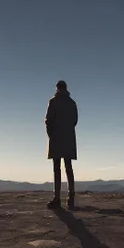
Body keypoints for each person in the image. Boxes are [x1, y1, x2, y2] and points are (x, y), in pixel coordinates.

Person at [45, 80, 78, 210]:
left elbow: (48, 120)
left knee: (57, 168)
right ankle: (71, 199)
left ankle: (57, 198)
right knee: (68, 168)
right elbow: (75, 120)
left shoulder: (53, 102)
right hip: (68, 139)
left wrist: (51, 135)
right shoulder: (72, 103)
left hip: (57, 138)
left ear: (57, 88)